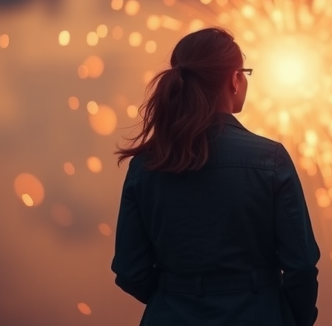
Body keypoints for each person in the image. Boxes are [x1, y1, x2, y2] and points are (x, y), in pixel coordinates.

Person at [111, 27, 320, 326]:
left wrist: (175, 297)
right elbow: (300, 266)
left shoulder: (146, 164)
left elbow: (130, 270)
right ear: (234, 80)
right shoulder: (270, 159)